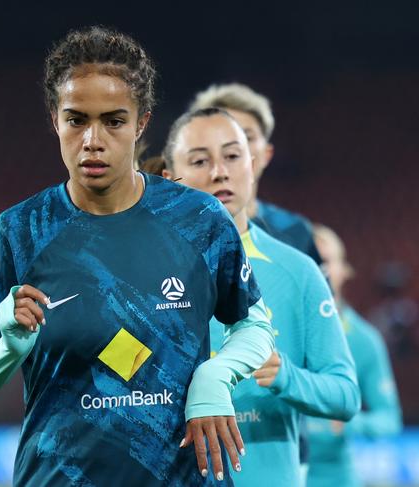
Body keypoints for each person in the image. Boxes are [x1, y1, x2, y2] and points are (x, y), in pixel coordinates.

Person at [0, 26, 274, 486]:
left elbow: (254, 325)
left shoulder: (198, 219)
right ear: (55, 119)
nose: (93, 140)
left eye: (114, 121)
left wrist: (216, 377)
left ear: (141, 123)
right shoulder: (19, 232)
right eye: (77, 120)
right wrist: (8, 348)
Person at [162, 107, 360, 487]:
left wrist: (285, 375)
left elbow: (345, 395)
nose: (220, 171)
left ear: (252, 165)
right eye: (200, 160)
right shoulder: (143, 274)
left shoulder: (298, 271)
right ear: (171, 178)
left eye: (233, 156)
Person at [307, 224, 403, 487]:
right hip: (281, 470)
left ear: (343, 270)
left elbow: (389, 419)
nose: (319, 269)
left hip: (335, 476)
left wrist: (350, 423)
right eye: (310, 259)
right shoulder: (278, 329)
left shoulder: (364, 339)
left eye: (325, 261)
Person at [189, 83, 322, 265]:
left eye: (247, 136)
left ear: (267, 154)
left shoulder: (295, 232)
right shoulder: (171, 231)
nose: (235, 146)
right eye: (222, 135)